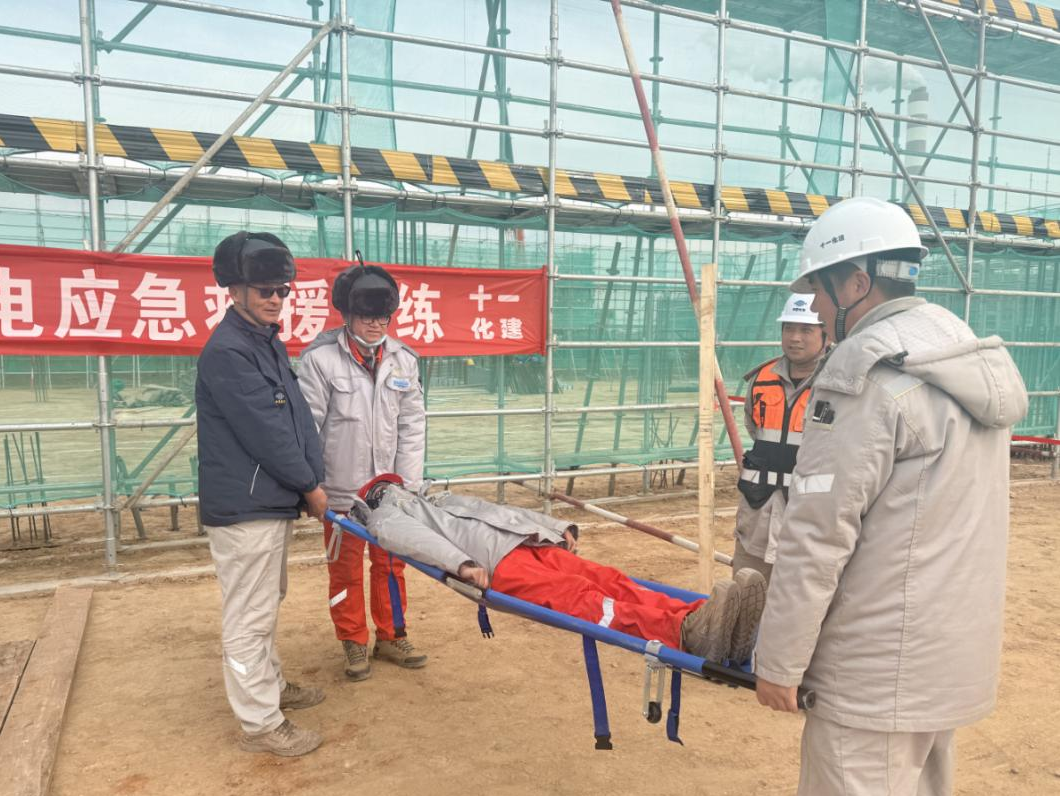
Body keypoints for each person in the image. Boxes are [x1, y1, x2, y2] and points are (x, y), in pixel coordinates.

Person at [753, 197, 1028, 796]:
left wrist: (779, 660)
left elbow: (818, 535)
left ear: (856, 282)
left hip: (874, 669)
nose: (815, 312)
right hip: (946, 657)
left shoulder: (864, 374)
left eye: (818, 292)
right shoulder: (958, 351)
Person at [352, 475, 768, 664]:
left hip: (527, 543)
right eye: (387, 485)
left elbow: (499, 511)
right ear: (376, 494)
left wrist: (553, 528)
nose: (395, 485)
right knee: (583, 600)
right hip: (495, 564)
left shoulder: (435, 498)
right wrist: (460, 564)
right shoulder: (387, 515)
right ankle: (683, 633)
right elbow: (413, 541)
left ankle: (701, 620)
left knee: (608, 580)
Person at [196, 231, 329, 758]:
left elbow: (295, 420)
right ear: (235, 291)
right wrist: (310, 487)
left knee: (265, 602)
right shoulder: (229, 351)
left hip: (268, 501)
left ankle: (270, 685)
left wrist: (309, 480)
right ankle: (260, 723)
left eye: (282, 290)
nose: (276, 299)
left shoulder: (264, 341)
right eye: (264, 290)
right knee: (249, 616)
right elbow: (267, 434)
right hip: (245, 506)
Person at [297, 261, 427, 682]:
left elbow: (412, 425)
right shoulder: (320, 360)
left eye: (383, 316)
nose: (375, 324)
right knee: (344, 569)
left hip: (388, 492)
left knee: (391, 564)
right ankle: (352, 640)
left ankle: (392, 635)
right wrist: (311, 485)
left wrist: (407, 485)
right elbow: (307, 427)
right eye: (367, 316)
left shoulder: (404, 360)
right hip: (340, 490)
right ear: (347, 314)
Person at [733, 294, 827, 581]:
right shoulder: (761, 379)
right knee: (747, 589)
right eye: (788, 328)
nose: (794, 338)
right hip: (758, 509)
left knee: (802, 591)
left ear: (826, 335)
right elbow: (755, 429)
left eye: (806, 329)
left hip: (811, 515)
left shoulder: (837, 382)